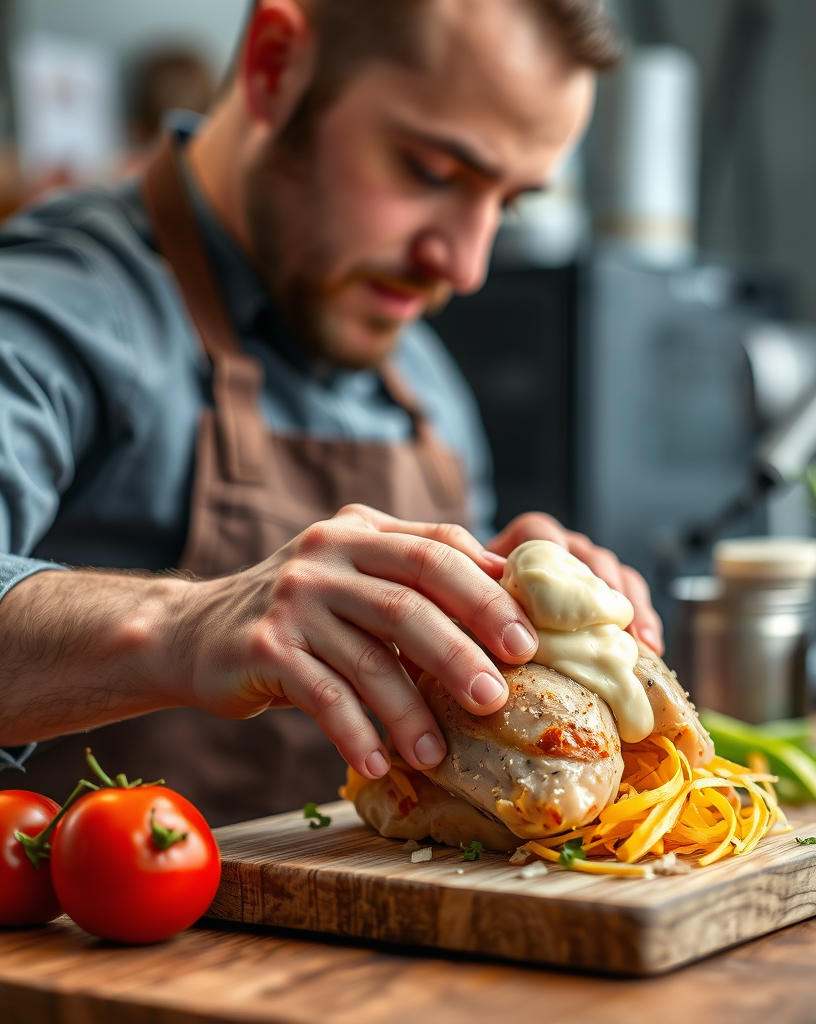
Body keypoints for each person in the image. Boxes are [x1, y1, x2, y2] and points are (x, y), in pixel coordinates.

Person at [0, 0, 662, 825]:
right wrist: (188, 625)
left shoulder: (419, 369)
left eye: (510, 202)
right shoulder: (51, 308)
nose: (465, 265)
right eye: (430, 170)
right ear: (277, 67)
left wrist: (496, 603)